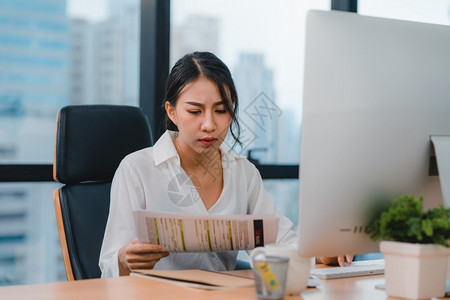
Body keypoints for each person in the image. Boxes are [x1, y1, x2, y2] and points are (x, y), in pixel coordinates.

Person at [99, 51, 351, 277]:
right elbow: (108, 269)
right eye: (195, 111)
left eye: (221, 110)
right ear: (172, 112)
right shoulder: (137, 170)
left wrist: (319, 253)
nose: (209, 124)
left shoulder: (243, 173)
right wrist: (123, 259)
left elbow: (280, 243)